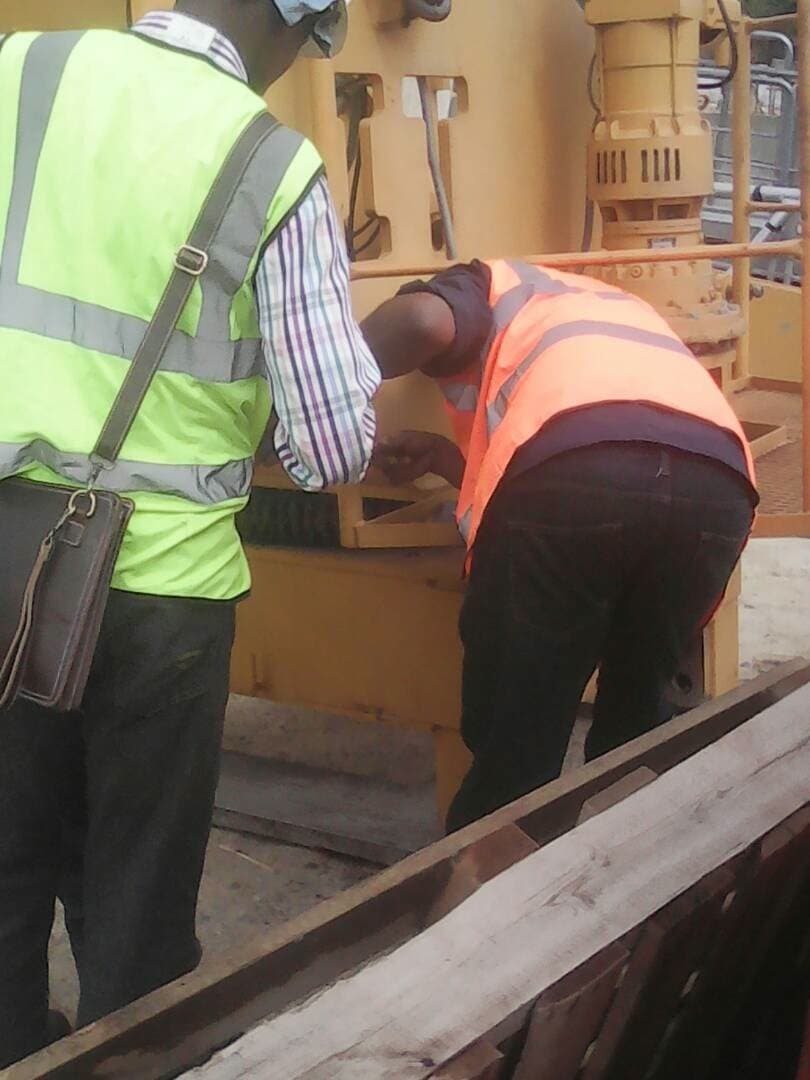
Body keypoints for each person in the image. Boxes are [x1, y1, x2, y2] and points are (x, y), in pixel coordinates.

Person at [0, 0, 380, 1066]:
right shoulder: (270, 161)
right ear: (290, 26)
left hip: (2, 556)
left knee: (5, 859)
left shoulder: (18, 72)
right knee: (137, 893)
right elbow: (334, 448)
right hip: (161, 590)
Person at [363, 258, 758, 832]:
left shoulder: (489, 286)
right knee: (637, 727)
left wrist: (315, 381)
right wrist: (451, 461)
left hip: (577, 476)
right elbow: (624, 444)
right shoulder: (610, 307)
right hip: (719, 485)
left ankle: (494, 904)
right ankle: (625, 888)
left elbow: (422, 322)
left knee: (518, 739)